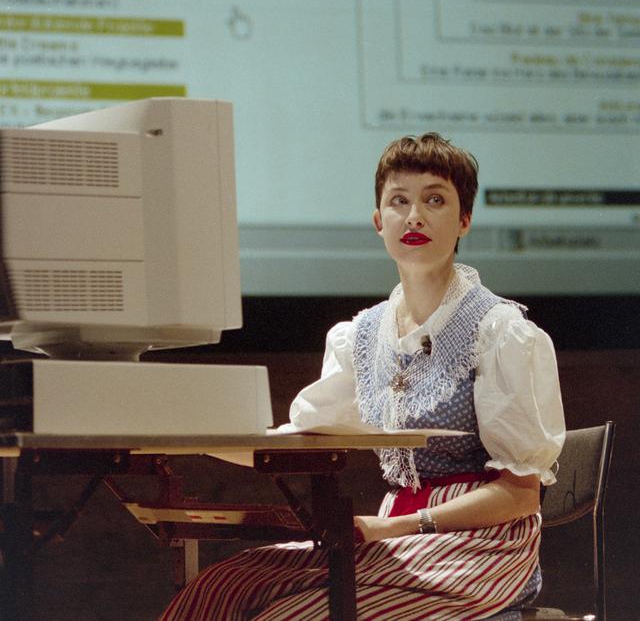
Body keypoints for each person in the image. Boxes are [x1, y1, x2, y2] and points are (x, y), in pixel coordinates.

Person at [158, 133, 565, 621]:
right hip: (391, 536)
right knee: (217, 590)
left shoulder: (500, 331)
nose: (414, 215)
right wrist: (183, 435)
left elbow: (520, 494)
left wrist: (397, 526)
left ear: (464, 221)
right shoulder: (362, 336)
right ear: (378, 221)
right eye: (399, 200)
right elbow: (302, 440)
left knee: (289, 616)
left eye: (435, 200)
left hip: (483, 549)